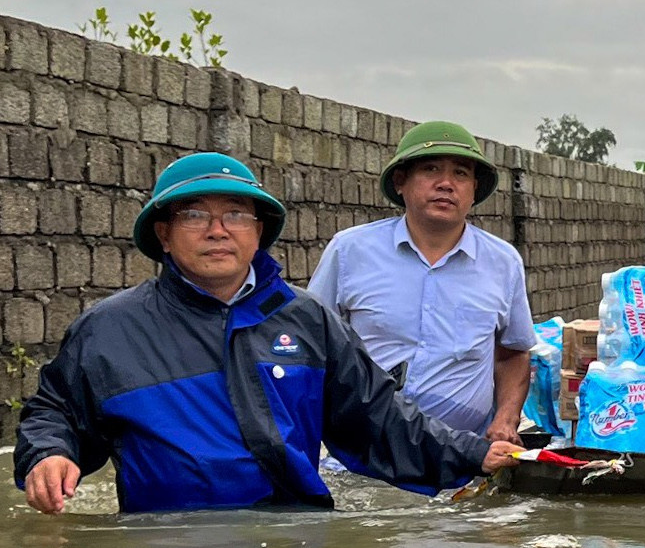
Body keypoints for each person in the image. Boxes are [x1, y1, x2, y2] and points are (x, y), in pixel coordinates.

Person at [15, 152, 522, 515]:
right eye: (195, 215)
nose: (218, 230)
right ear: (164, 235)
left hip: (291, 541)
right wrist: (50, 454)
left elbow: (379, 418)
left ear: (259, 231)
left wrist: (475, 453)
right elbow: (55, 409)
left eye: (236, 214)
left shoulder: (306, 320)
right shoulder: (110, 330)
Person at [307, 121, 538, 442]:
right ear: (401, 182)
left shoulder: (503, 262)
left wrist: (505, 419)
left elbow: (513, 353)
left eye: (460, 173)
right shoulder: (349, 251)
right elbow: (309, 343)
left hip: (463, 455)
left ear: (474, 189)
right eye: (431, 169)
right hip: (365, 452)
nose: (446, 184)